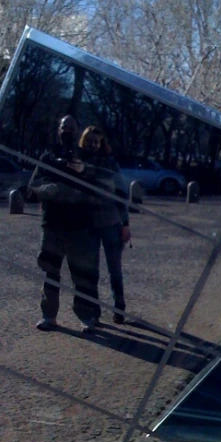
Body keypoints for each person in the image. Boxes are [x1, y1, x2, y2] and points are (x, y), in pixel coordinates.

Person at [30, 115, 102, 334]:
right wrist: (49, 190)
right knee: (49, 273)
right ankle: (49, 316)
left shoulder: (87, 157)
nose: (67, 131)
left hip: (79, 226)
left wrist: (83, 172)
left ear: (78, 130)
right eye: (64, 127)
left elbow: (100, 186)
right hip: (51, 224)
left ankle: (86, 317)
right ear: (58, 129)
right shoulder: (47, 156)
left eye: (71, 128)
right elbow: (32, 187)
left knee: (82, 275)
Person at [79, 126, 131, 324]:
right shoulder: (78, 162)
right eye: (89, 140)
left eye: (96, 141)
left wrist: (125, 224)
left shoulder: (110, 164)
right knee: (90, 271)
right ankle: (93, 312)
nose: (92, 144)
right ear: (83, 141)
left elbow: (121, 194)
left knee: (114, 270)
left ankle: (119, 308)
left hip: (110, 222)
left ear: (101, 144)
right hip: (87, 224)